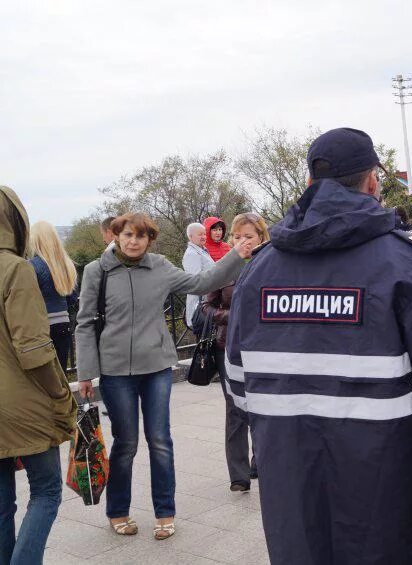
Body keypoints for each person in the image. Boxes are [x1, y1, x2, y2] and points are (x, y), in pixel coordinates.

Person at [225, 128, 412, 564]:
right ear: (372, 183)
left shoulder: (258, 273)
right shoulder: (407, 266)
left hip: (294, 492)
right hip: (393, 493)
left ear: (310, 186)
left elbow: (237, 387)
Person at [75, 213, 252, 540]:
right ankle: (118, 511)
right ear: (117, 235)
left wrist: (235, 254)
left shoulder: (159, 266)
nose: (132, 241)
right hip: (115, 372)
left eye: (140, 237)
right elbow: (84, 323)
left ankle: (165, 512)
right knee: (125, 444)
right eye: (127, 235)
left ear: (149, 240)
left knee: (160, 441)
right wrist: (86, 371)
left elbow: (203, 283)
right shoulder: (96, 271)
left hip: (156, 367)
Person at [0, 186, 76, 565]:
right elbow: (34, 350)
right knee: (46, 491)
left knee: (1, 505)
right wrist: (63, 397)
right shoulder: (16, 269)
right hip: (24, 406)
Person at [200, 213, 268, 492]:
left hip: (265, 347)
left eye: (249, 236)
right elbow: (205, 308)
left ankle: (261, 463)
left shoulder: (272, 267)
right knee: (235, 409)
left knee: (263, 406)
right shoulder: (224, 269)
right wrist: (232, 315)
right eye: (237, 236)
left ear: (262, 238)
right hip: (227, 344)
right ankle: (238, 475)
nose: (243, 242)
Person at [29, 221, 78, 373]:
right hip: (63, 324)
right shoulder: (66, 265)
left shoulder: (31, 266)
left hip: (41, 327)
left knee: (45, 377)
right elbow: (72, 298)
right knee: (61, 374)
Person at [182, 222, 214, 328]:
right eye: (200, 234)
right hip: (200, 305)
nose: (204, 237)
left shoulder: (201, 250)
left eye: (204, 234)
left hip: (207, 302)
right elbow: (196, 280)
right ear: (190, 236)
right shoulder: (192, 254)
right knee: (204, 338)